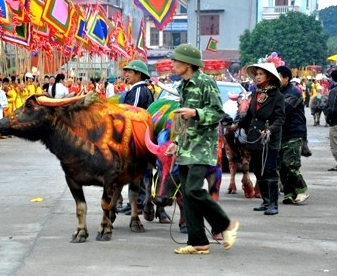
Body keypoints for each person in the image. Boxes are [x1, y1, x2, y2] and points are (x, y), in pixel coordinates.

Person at [164, 44, 238, 254]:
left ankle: (225, 225)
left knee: (194, 190)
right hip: (186, 147)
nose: (173, 64)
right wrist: (176, 143)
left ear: (188, 64)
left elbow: (217, 113)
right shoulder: (183, 86)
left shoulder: (206, 83)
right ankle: (198, 242)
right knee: (187, 196)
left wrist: (196, 112)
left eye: (176, 61)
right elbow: (182, 119)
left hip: (201, 148)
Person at [230, 63, 285, 215]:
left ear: (269, 77)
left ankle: (273, 204)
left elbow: (280, 118)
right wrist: (237, 126)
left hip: (269, 140)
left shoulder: (277, 96)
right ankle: (266, 201)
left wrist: (270, 130)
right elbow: (249, 116)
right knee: (257, 169)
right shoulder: (255, 94)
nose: (258, 76)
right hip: (255, 138)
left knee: (269, 170)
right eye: (257, 74)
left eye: (261, 74)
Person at [117, 60, 154, 216]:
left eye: (130, 72)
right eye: (126, 72)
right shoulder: (134, 90)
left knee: (141, 172)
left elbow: (132, 114)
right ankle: (135, 203)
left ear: (138, 74)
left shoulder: (139, 90)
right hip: (135, 138)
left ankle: (139, 204)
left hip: (137, 139)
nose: (126, 75)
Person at [276, 66, 309, 204]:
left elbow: (283, 110)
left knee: (290, 164)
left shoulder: (293, 93)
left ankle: (302, 189)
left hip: (294, 132)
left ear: (286, 78)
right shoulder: (277, 92)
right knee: (281, 166)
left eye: (277, 77)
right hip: (281, 133)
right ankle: (289, 193)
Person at [323, 70, 337, 171]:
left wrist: (329, 118)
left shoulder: (334, 91)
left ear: (332, 78)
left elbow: (333, 107)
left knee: (336, 144)